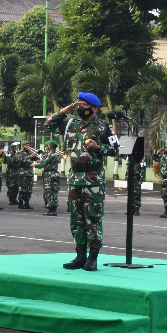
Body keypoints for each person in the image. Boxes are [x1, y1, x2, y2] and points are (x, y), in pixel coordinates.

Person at [44, 93, 118, 271]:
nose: (80, 108)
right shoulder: (71, 124)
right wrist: (64, 110)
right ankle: (80, 256)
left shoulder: (103, 126)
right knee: (76, 219)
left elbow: (116, 149)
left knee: (92, 218)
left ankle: (92, 258)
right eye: (79, 104)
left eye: (84, 105)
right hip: (75, 178)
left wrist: (98, 147)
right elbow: (49, 124)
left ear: (95, 108)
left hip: (93, 179)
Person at [39, 138, 61, 216]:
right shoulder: (57, 154)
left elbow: (42, 164)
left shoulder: (51, 154)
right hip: (55, 173)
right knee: (54, 191)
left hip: (50, 174)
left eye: (48, 145)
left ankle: (51, 210)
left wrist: (35, 165)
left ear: (50, 146)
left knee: (50, 192)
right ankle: (53, 208)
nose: (47, 146)